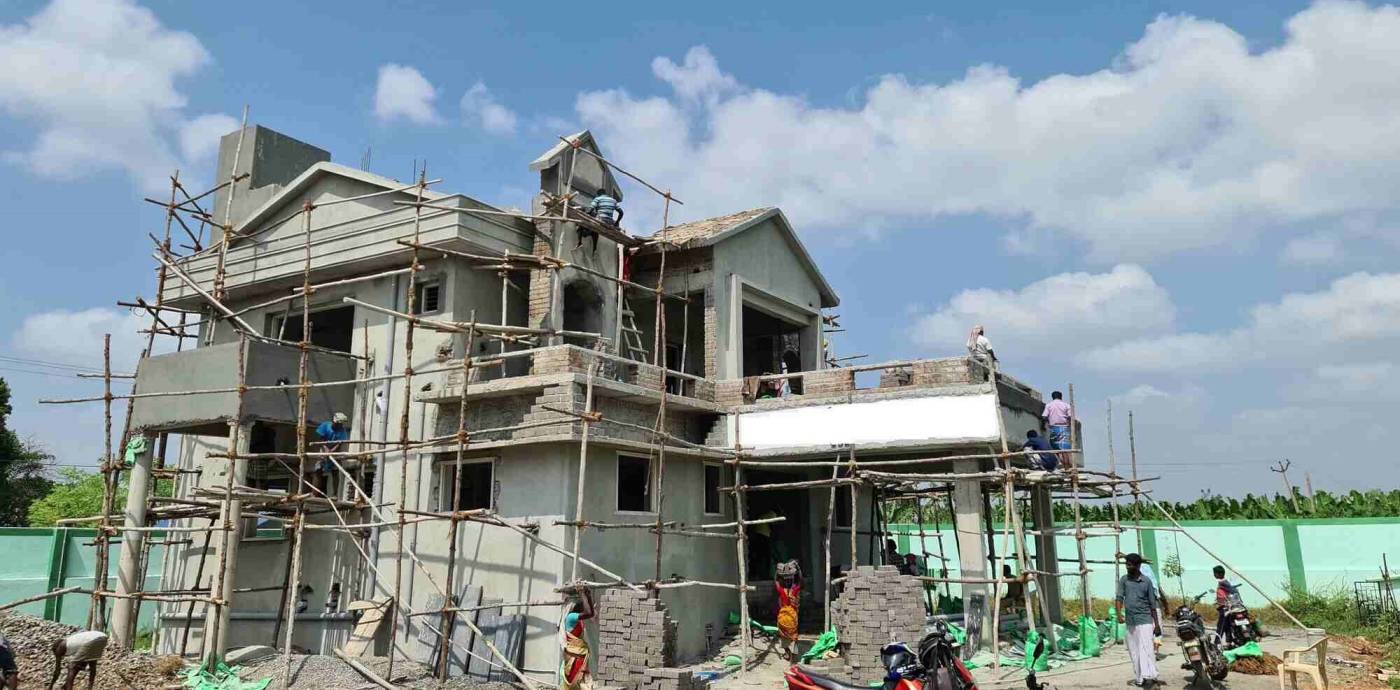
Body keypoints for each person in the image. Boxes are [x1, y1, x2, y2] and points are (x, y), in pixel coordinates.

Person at [1116, 554, 1161, 687]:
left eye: (1130, 565)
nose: (1128, 567)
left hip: (1145, 620)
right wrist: (1119, 614)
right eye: (1127, 564)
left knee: (1146, 649)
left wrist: (1156, 625)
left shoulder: (1146, 581)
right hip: (1130, 621)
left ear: (1138, 566)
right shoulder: (1124, 580)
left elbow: (1153, 605)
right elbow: (1119, 598)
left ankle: (1150, 676)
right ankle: (1140, 677)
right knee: (1134, 651)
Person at [560, 586, 595, 690]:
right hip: (575, 656)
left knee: (580, 682)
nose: (585, 606)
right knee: (575, 681)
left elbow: (591, 613)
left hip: (579, 655)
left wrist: (587, 596)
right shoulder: (571, 617)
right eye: (583, 604)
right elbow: (589, 613)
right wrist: (583, 594)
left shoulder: (577, 618)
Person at [775, 559, 803, 661]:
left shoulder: (781, 591)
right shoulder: (794, 591)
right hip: (792, 617)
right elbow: (800, 581)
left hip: (783, 617)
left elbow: (776, 582)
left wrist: (777, 571)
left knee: (783, 636)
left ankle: (787, 653)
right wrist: (799, 569)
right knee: (794, 635)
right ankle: (795, 653)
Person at [1213, 565, 1241, 639]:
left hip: (1225, 608)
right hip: (1225, 606)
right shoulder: (1224, 582)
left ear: (1218, 574)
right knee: (1227, 626)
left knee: (1220, 627)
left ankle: (1217, 643)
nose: (1214, 575)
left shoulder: (1223, 582)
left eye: (1215, 573)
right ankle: (1229, 641)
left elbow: (1233, 590)